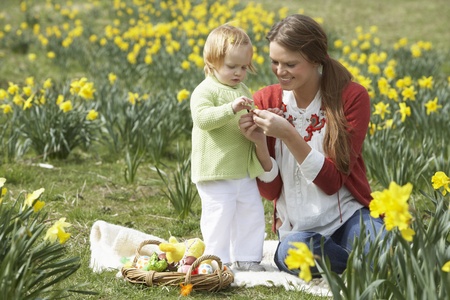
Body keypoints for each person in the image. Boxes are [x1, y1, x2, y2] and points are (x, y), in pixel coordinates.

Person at [238, 14, 386, 276]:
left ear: (316, 59)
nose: (280, 71)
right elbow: (271, 192)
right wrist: (260, 143)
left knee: (385, 250)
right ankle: (360, 265)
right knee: (292, 252)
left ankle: (351, 261)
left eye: (290, 64)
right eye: (274, 62)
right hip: (300, 231)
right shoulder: (266, 98)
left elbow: (332, 183)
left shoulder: (351, 98)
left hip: (348, 218)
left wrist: (289, 135)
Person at [190, 24, 271, 272]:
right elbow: (203, 119)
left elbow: (246, 118)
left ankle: (248, 257)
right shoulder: (205, 90)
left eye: (244, 67)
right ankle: (217, 260)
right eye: (231, 66)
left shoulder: (242, 90)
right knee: (219, 216)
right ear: (212, 62)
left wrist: (260, 115)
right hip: (215, 170)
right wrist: (230, 109)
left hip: (242, 170)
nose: (238, 73)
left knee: (251, 213)